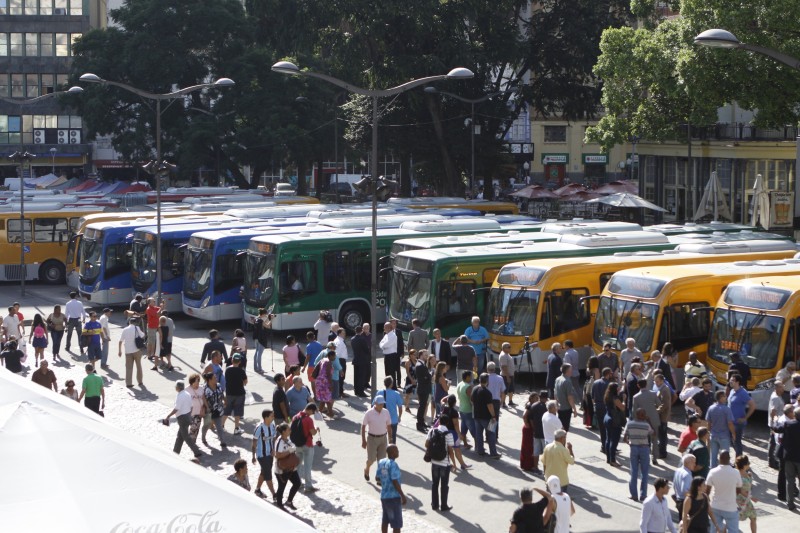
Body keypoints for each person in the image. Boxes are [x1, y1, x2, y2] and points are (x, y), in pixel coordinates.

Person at [162, 380, 204, 464]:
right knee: (180, 437)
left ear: (178, 387)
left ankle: (197, 451)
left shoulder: (180, 396)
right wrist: (189, 415)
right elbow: (191, 406)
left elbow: (177, 408)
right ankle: (175, 452)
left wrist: (168, 416)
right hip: (188, 416)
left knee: (186, 437)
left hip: (182, 418)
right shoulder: (187, 394)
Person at [425, 413, 456, 512]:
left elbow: (426, 444)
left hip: (434, 462)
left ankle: (434, 504)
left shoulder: (432, 431)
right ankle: (444, 505)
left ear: (439, 421)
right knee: (444, 485)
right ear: (447, 423)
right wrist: (454, 463)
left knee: (434, 483)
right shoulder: (449, 434)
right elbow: (450, 451)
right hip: (444, 464)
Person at [706, 451, 742, 533]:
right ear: (729, 459)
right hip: (731, 507)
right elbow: (739, 489)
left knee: (714, 530)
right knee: (733, 530)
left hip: (715, 506)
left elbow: (707, 491)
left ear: (719, 459)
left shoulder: (712, 472)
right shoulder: (735, 472)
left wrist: (708, 502)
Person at [624, 408, 655, 501]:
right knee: (644, 473)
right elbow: (654, 433)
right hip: (644, 448)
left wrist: (630, 443)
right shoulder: (646, 425)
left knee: (633, 471)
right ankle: (643, 495)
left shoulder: (629, 424)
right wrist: (649, 421)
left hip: (634, 448)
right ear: (644, 415)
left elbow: (625, 438)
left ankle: (634, 495)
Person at [377, 444, 407, 533]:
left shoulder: (381, 462)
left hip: (384, 496)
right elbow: (395, 481)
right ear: (392, 453)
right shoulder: (393, 465)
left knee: (385, 520)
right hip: (393, 497)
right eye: (397, 450)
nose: (398, 452)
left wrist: (385, 482)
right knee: (396, 524)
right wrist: (402, 495)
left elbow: (377, 478)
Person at [362, 395, 392, 482]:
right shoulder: (369, 413)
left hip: (383, 438)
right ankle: (367, 469)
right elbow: (363, 426)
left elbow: (389, 426)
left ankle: (378, 477)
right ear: (375, 403)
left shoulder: (386, 412)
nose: (381, 405)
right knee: (371, 459)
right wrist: (363, 440)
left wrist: (390, 439)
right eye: (380, 404)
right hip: (372, 438)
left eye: (383, 404)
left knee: (382, 460)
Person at [632, 378, 662, 465]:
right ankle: (655, 457)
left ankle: (644, 457)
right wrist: (655, 411)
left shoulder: (636, 397)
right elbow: (659, 404)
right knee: (655, 439)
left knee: (643, 440)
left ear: (638, 385)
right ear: (646, 384)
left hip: (642, 421)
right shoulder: (653, 394)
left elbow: (634, 411)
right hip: (654, 419)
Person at [273, 422, 301, 510]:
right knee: (282, 486)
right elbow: (277, 455)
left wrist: (292, 449)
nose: (290, 431)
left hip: (291, 467)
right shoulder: (279, 442)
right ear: (284, 431)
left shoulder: (287, 439)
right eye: (288, 429)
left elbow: (291, 447)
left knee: (297, 483)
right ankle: (279, 504)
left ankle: (289, 501)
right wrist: (289, 451)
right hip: (282, 469)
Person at [292, 402, 319, 492]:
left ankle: (298, 483)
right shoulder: (308, 420)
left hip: (297, 445)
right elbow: (313, 433)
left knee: (298, 466)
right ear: (310, 410)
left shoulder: (295, 417)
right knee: (308, 466)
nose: (313, 414)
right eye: (313, 412)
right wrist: (316, 428)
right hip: (307, 445)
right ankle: (308, 486)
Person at [471, 373, 500, 458]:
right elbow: (490, 406)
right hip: (487, 417)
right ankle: (493, 453)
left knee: (479, 434)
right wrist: (494, 416)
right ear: (487, 381)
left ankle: (480, 451)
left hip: (476, 416)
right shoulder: (487, 392)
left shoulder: (474, 389)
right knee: (491, 434)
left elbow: (472, 401)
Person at [728, 374, 756, 457]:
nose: (730, 381)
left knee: (737, 442)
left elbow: (753, 406)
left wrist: (745, 418)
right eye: (730, 380)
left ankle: (740, 462)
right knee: (730, 441)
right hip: (730, 422)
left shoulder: (743, 393)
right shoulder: (732, 391)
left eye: (732, 380)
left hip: (738, 423)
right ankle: (739, 459)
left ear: (738, 382)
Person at [252, 409, 277, 500]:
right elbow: (254, 442)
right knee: (268, 474)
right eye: (271, 416)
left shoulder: (272, 426)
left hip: (270, 454)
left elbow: (274, 438)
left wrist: (274, 449)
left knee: (264, 472)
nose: (273, 417)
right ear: (266, 417)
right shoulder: (259, 428)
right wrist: (253, 456)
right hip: (262, 455)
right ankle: (274, 494)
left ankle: (257, 489)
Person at [706, 391, 735, 468]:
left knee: (713, 456)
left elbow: (708, 423)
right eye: (724, 396)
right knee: (725, 457)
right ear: (720, 398)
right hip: (724, 436)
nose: (726, 398)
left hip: (713, 435)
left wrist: (708, 433)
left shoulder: (711, 408)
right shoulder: (727, 409)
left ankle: (712, 472)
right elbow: (730, 423)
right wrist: (733, 434)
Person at [201, 372, 229, 449]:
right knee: (206, 426)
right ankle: (203, 437)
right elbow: (204, 400)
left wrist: (225, 401)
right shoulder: (205, 389)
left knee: (219, 427)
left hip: (218, 410)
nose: (216, 379)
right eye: (214, 378)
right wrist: (207, 408)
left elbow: (222, 395)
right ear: (209, 380)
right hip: (209, 411)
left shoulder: (218, 385)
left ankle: (222, 441)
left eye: (216, 378)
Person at [542, 429, 575, 493]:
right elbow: (572, 461)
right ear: (561, 438)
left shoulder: (547, 447)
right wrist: (570, 449)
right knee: (561, 501)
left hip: (549, 479)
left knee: (550, 500)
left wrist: (545, 476)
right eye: (565, 437)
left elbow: (544, 463)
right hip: (561, 481)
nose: (565, 439)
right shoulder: (563, 450)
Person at [780, 406, 800, 510]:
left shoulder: (788, 424)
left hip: (789, 456)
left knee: (790, 480)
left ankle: (790, 503)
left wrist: (774, 421)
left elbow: (777, 429)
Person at [223, 353, 248, 435]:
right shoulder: (241, 371)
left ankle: (221, 426)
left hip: (229, 393)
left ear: (232, 360)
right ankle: (236, 428)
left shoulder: (227, 369)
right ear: (239, 361)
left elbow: (226, 379)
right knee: (238, 411)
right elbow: (245, 382)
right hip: (239, 393)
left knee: (227, 410)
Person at [603, 382, 626, 467]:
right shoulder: (615, 398)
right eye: (618, 387)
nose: (619, 388)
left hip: (607, 418)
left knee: (608, 439)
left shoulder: (607, 396)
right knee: (614, 441)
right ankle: (612, 460)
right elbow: (622, 408)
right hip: (614, 420)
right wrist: (624, 400)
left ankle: (609, 459)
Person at [592, 367, 613, 452]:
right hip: (606, 407)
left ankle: (603, 445)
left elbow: (592, 396)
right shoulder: (609, 384)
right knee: (608, 427)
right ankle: (608, 445)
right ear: (608, 374)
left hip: (598, 406)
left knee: (601, 427)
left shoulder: (595, 382)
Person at [734, 455, 757, 533]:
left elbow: (749, 486)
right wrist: (751, 497)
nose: (749, 465)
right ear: (744, 465)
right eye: (748, 463)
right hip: (739, 501)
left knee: (753, 517)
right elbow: (740, 490)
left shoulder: (747, 474)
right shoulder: (737, 475)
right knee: (735, 519)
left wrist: (750, 478)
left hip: (746, 500)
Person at [554, 363, 579, 433]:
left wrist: (556, 404)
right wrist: (574, 409)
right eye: (571, 369)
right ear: (567, 371)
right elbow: (570, 397)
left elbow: (555, 394)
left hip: (559, 407)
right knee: (564, 430)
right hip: (566, 409)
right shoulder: (567, 381)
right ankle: (561, 443)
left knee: (560, 427)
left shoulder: (558, 379)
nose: (572, 371)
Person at [379, 376, 404, 444]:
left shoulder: (379, 393)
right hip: (393, 420)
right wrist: (399, 417)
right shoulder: (396, 394)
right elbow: (400, 407)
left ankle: (382, 450)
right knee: (392, 438)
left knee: (381, 437)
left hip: (381, 419)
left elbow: (374, 405)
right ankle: (391, 451)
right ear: (391, 384)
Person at [414, 347, 433, 431]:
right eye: (425, 355)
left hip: (423, 388)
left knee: (423, 406)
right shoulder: (420, 365)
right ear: (421, 355)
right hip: (423, 389)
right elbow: (428, 377)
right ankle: (419, 424)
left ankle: (422, 423)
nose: (427, 356)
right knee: (422, 407)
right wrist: (430, 374)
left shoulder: (422, 364)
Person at [769, 382, 787, 468]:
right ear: (777, 388)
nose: (783, 388)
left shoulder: (776, 395)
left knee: (772, 442)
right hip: (775, 424)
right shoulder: (776, 398)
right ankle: (772, 461)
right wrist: (774, 425)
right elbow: (773, 411)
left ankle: (772, 460)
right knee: (773, 443)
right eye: (781, 387)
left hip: (775, 423)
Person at [654, 374, 672, 460]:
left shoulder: (664, 390)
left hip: (662, 416)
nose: (655, 383)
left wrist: (656, 411)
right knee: (661, 435)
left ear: (661, 381)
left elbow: (664, 404)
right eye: (655, 381)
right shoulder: (661, 388)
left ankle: (662, 453)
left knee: (662, 436)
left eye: (657, 381)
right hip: (661, 416)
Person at [456, 370, 476, 447]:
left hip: (461, 409)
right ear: (467, 377)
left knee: (464, 428)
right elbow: (472, 399)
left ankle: (465, 444)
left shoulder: (460, 384)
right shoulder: (468, 387)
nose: (472, 378)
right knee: (474, 430)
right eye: (471, 376)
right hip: (468, 410)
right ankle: (478, 447)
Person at [380, 321, 401, 391]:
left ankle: (393, 387)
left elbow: (387, 344)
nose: (384, 328)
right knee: (387, 371)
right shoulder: (386, 335)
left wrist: (383, 346)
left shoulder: (393, 335)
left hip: (392, 356)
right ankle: (388, 386)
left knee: (392, 372)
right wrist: (383, 346)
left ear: (389, 328)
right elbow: (381, 344)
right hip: (387, 356)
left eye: (385, 327)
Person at [315, 349, 336, 417]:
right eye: (334, 356)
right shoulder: (328, 362)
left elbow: (317, 368)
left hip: (319, 381)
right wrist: (330, 384)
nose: (335, 358)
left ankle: (319, 413)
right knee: (327, 398)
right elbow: (328, 374)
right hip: (325, 383)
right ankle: (331, 414)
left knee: (323, 399)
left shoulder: (323, 360)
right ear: (330, 356)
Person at [521, 392, 539, 472]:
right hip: (528, 429)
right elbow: (524, 416)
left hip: (528, 428)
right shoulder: (529, 406)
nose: (537, 400)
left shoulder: (531, 405)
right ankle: (528, 465)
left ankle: (527, 464)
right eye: (536, 398)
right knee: (528, 447)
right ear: (531, 398)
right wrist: (527, 424)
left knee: (528, 447)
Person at [485, 362, 505, 434]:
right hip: (496, 400)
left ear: (487, 369)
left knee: (487, 418)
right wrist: (502, 401)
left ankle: (488, 435)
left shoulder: (485, 377)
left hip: (487, 400)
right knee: (495, 419)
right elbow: (503, 391)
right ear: (494, 369)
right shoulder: (500, 378)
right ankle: (494, 435)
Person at [352, 324, 371, 397]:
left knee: (356, 376)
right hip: (362, 361)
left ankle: (356, 390)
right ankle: (361, 391)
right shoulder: (362, 339)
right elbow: (366, 350)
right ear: (361, 331)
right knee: (361, 377)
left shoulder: (352, 339)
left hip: (356, 359)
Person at [252, 308, 271, 374]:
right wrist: (271, 319)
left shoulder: (256, 319)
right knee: (259, 354)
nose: (266, 315)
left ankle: (255, 367)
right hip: (261, 338)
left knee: (256, 352)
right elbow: (268, 326)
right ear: (263, 314)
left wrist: (268, 318)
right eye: (266, 314)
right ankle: (260, 369)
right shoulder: (261, 321)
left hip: (256, 338)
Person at [498, 342, 517, 407]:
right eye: (508, 347)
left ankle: (510, 401)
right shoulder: (503, 356)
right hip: (505, 376)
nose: (510, 348)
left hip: (510, 375)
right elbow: (504, 367)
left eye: (510, 346)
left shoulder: (507, 354)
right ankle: (503, 403)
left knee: (511, 389)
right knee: (505, 390)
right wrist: (507, 377)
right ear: (504, 348)